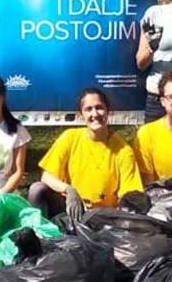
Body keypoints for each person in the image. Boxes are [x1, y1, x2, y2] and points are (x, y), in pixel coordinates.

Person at [28, 87, 142, 219]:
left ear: (108, 111)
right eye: (88, 109)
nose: (95, 114)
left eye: (99, 107)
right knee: (36, 190)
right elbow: (46, 176)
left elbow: (128, 195)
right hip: (69, 208)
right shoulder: (70, 137)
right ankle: (40, 234)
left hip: (103, 217)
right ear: (81, 114)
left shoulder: (123, 150)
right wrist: (69, 190)